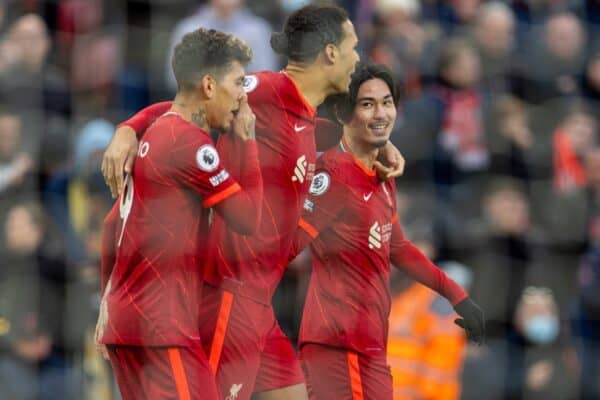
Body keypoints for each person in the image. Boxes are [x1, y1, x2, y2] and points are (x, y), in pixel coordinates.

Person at [101, 5, 406, 400]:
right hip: (226, 296)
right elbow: (187, 102)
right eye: (353, 47)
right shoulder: (265, 91)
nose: (357, 59)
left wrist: (374, 144)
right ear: (330, 53)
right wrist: (129, 128)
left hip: (259, 302)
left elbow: (320, 137)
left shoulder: (307, 119)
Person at [287, 63, 484, 399]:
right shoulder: (334, 175)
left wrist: (457, 295)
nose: (381, 113)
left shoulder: (381, 180)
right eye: (367, 104)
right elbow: (287, 247)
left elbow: (400, 247)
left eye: (387, 102)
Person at [95, 28, 264, 400]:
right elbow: (249, 219)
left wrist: (107, 302)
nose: (242, 95)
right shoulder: (191, 146)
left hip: (129, 323)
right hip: (162, 328)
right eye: (237, 83)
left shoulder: (157, 130)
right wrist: (248, 140)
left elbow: (112, 226)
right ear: (208, 85)